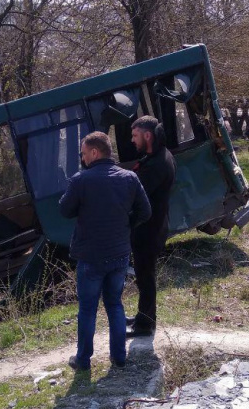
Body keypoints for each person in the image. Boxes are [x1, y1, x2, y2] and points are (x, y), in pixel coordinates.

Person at [59, 132, 152, 370]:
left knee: (87, 309)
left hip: (91, 256)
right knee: (115, 304)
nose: (82, 158)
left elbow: (65, 211)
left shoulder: (81, 180)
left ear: (94, 152)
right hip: (120, 253)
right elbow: (145, 212)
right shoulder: (129, 177)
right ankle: (119, 357)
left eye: (83, 153)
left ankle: (83, 360)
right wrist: (126, 225)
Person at [127, 116, 177, 338]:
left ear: (147, 135)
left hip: (149, 229)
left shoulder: (157, 163)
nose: (132, 140)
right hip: (152, 226)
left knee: (145, 277)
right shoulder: (157, 156)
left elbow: (136, 196)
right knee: (144, 276)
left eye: (135, 135)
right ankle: (143, 317)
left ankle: (145, 326)